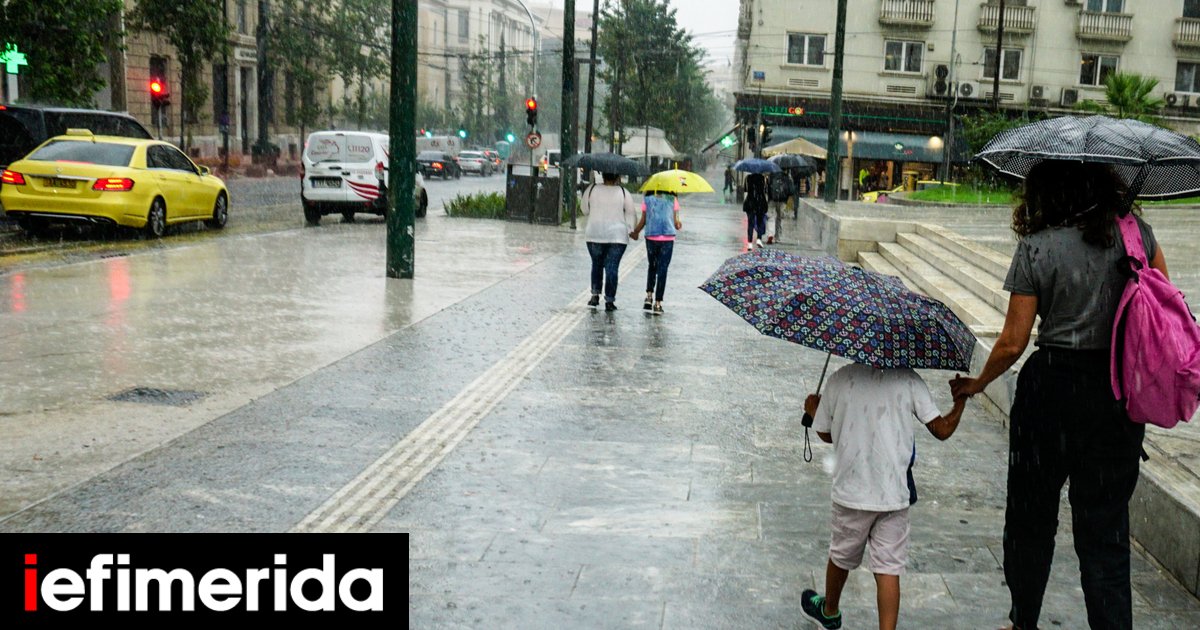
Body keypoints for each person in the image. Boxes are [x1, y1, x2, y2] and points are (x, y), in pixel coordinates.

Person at [950, 160, 1168, 630]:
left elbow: (1013, 342)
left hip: (1049, 393)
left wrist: (978, 382)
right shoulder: (1138, 237)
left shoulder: (1037, 247)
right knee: (1105, 528)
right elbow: (1162, 305)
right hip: (1115, 395)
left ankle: (1023, 619)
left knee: (1030, 517)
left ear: (1047, 190)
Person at [800, 363, 966, 630]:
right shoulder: (909, 379)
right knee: (889, 568)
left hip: (851, 493)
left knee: (841, 556)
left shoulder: (840, 379)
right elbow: (942, 429)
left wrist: (814, 410)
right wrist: (960, 401)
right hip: (893, 494)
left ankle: (829, 611)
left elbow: (827, 434)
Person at [581, 172, 638, 311]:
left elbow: (584, 210)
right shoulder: (623, 193)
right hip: (617, 237)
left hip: (595, 233)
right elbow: (631, 213)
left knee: (597, 264)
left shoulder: (591, 189)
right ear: (618, 177)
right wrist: (631, 229)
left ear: (603, 175)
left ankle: (595, 295)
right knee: (612, 268)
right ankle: (610, 300)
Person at [629, 190, 681, 315]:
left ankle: (649, 296)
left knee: (652, 266)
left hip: (651, 237)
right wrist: (678, 224)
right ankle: (658, 303)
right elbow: (676, 223)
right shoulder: (672, 199)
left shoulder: (647, 199)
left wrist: (636, 232)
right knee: (663, 270)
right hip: (668, 238)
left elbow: (643, 220)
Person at [765, 171, 793, 244]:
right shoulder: (786, 177)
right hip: (783, 201)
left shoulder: (771, 175)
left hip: (772, 200)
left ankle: (770, 234)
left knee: (771, 217)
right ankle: (777, 237)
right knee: (779, 218)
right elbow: (791, 191)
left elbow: (767, 189)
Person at [742, 173, 768, 249]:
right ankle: (759, 239)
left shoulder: (748, 178)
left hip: (750, 202)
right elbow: (766, 191)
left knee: (750, 223)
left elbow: (745, 190)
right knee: (760, 221)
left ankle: (749, 243)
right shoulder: (763, 179)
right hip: (760, 202)